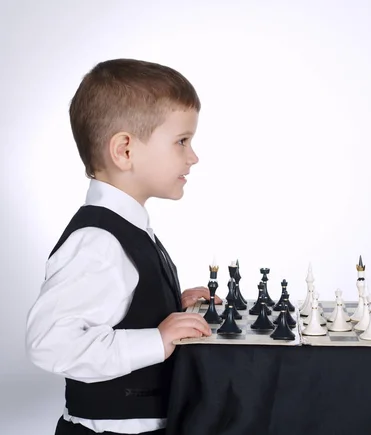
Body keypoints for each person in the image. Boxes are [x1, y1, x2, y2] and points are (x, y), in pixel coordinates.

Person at [26, 58, 221, 435]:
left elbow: (114, 310)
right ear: (125, 151)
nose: (193, 156)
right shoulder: (98, 243)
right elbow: (50, 343)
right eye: (182, 141)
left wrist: (171, 309)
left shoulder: (126, 230)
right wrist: (156, 340)